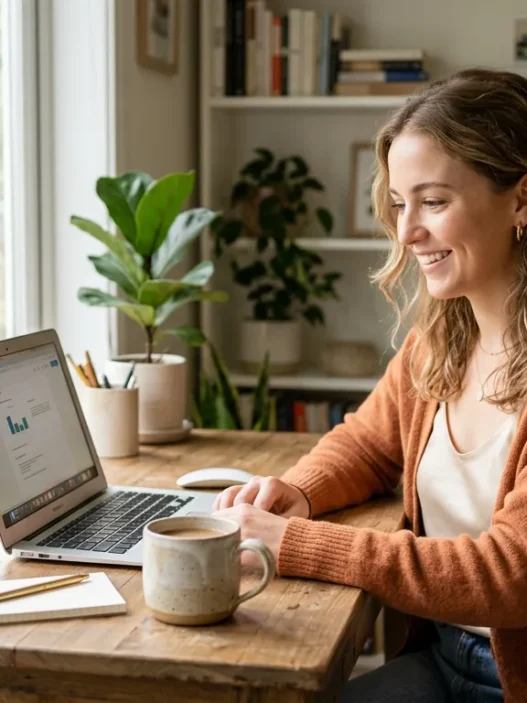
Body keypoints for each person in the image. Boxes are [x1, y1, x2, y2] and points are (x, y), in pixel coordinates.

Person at [212, 68, 527, 702]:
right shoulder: (440, 340)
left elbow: (507, 576)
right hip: (441, 656)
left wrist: (297, 543)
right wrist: (296, 492)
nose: (408, 233)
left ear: (520, 200)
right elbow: (363, 444)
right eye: (400, 204)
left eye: (434, 203)